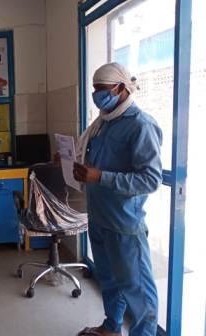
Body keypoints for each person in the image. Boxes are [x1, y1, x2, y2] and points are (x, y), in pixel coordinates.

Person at [73, 63, 162, 336]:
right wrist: (74, 163)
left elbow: (150, 180)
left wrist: (100, 177)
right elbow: (95, 164)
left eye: (102, 89)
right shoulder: (102, 124)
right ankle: (111, 326)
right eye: (95, 90)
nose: (97, 95)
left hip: (124, 224)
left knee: (138, 291)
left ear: (121, 88)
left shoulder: (140, 125)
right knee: (109, 281)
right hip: (99, 218)